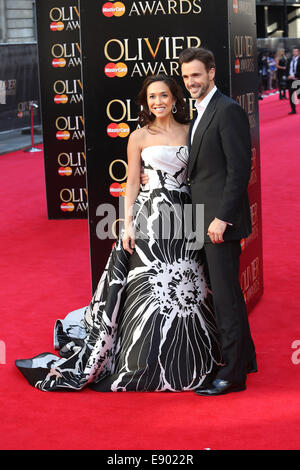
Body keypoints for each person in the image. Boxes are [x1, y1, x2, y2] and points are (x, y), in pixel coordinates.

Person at [15, 74, 222, 392]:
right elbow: (132, 183)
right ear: (146, 102)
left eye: (163, 95)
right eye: (152, 97)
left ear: (175, 99)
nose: (158, 102)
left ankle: (191, 355)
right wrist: (126, 224)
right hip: (150, 215)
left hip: (186, 213)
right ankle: (144, 360)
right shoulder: (139, 136)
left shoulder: (191, 131)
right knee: (150, 286)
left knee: (188, 282)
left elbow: (203, 176)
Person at [178, 47, 257, 396]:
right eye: (185, 77)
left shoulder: (227, 110)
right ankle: (246, 359)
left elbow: (240, 170)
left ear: (211, 73)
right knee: (229, 296)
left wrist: (223, 218)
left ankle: (232, 375)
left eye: (196, 75)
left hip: (218, 223)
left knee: (225, 298)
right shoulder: (199, 112)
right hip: (203, 218)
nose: (191, 82)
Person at [286, 47, 300, 114]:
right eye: (293, 51)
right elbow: (287, 69)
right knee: (291, 95)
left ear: (298, 52)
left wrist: (294, 75)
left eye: (296, 51)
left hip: (298, 80)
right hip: (290, 81)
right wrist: (288, 75)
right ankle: (293, 110)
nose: (294, 53)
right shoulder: (289, 60)